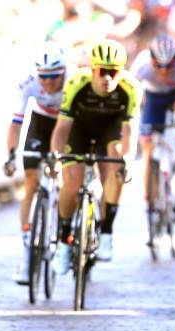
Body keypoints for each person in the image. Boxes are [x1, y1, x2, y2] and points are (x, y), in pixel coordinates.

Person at [51, 39, 142, 273]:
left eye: (114, 72)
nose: (108, 78)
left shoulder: (131, 88)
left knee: (117, 163)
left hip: (109, 130)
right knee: (72, 181)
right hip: (79, 129)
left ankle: (106, 233)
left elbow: (129, 130)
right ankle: (63, 242)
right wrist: (54, 156)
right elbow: (62, 128)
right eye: (102, 72)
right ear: (93, 70)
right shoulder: (76, 82)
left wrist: (129, 160)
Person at [4, 42, 69, 284]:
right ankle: (28, 250)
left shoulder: (74, 79)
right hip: (40, 123)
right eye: (44, 77)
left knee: (68, 175)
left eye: (54, 76)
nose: (49, 82)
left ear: (63, 71)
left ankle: (68, 229)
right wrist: (11, 155)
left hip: (68, 124)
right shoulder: (29, 83)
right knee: (31, 181)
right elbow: (16, 124)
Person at [130, 34, 175, 218]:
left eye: (169, 66)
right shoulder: (142, 63)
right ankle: (150, 201)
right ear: (151, 59)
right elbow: (130, 93)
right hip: (154, 96)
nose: (164, 71)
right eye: (158, 65)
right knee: (148, 149)